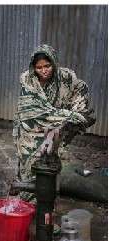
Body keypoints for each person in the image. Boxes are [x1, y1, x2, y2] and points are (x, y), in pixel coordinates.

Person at [14, 44, 95, 201]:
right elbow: (35, 112)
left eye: (47, 65)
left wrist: (78, 110)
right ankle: (26, 202)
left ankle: (45, 201)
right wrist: (73, 116)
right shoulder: (27, 80)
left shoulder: (65, 77)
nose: (44, 71)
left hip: (55, 128)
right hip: (30, 129)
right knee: (29, 165)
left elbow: (81, 88)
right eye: (39, 67)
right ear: (33, 68)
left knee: (50, 163)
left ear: (54, 62)